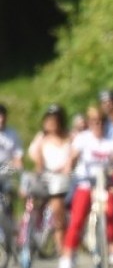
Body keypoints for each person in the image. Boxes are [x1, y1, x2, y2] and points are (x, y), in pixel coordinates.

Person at [58, 107, 113, 268]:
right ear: (89, 123)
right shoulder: (83, 139)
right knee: (77, 218)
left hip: (104, 183)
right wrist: (68, 167)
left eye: (101, 122)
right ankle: (67, 256)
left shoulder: (111, 140)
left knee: (110, 213)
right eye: (94, 122)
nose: (98, 125)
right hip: (86, 182)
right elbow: (72, 157)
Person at [27, 104, 72, 254]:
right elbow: (34, 156)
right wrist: (40, 165)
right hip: (51, 179)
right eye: (49, 120)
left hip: (69, 177)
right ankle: (61, 245)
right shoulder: (41, 138)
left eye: (55, 120)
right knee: (57, 204)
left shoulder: (69, 136)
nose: (52, 123)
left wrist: (68, 165)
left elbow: (75, 154)